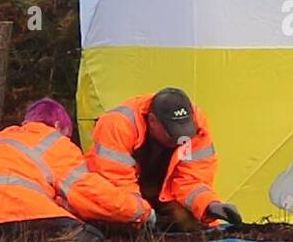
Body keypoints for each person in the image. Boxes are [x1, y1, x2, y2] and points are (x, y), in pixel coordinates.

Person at [0, 98, 154, 242]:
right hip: (19, 218)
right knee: (89, 238)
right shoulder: (54, 142)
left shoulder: (0, 140)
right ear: (59, 128)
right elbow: (89, 194)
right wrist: (141, 212)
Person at [88, 87, 241, 231]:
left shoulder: (195, 127)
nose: (179, 139)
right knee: (119, 224)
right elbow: (116, 186)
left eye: (184, 134)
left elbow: (191, 180)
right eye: (171, 133)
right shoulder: (117, 125)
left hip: (162, 195)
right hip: (121, 196)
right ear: (153, 121)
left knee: (190, 220)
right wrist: (145, 214)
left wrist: (210, 205)